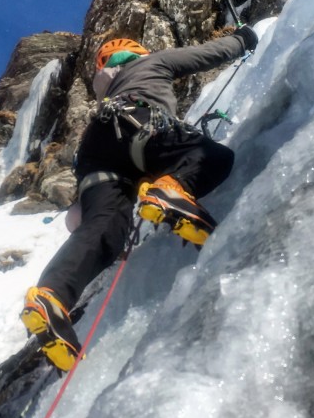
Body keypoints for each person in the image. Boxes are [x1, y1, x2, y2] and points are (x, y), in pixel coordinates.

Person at [20, 25, 258, 371]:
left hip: (97, 150)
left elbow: (79, 221)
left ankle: (51, 297)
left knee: (105, 229)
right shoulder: (153, 62)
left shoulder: (107, 92)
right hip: (141, 121)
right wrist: (243, 40)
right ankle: (171, 189)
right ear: (137, 52)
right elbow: (206, 54)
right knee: (214, 157)